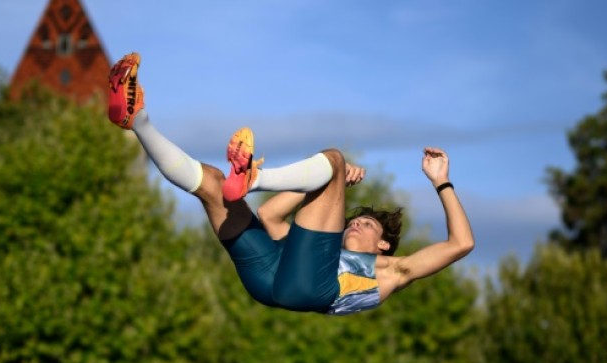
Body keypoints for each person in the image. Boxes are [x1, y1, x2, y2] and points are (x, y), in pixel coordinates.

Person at [107, 52, 474, 315]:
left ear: (383, 245)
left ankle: (256, 178)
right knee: (216, 185)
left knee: (333, 157)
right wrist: (326, 187)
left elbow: (462, 244)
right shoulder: (314, 247)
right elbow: (269, 214)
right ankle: (136, 119)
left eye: (368, 224)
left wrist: (442, 182)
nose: (356, 222)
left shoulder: (393, 270)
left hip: (312, 290)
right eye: (355, 219)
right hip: (271, 275)